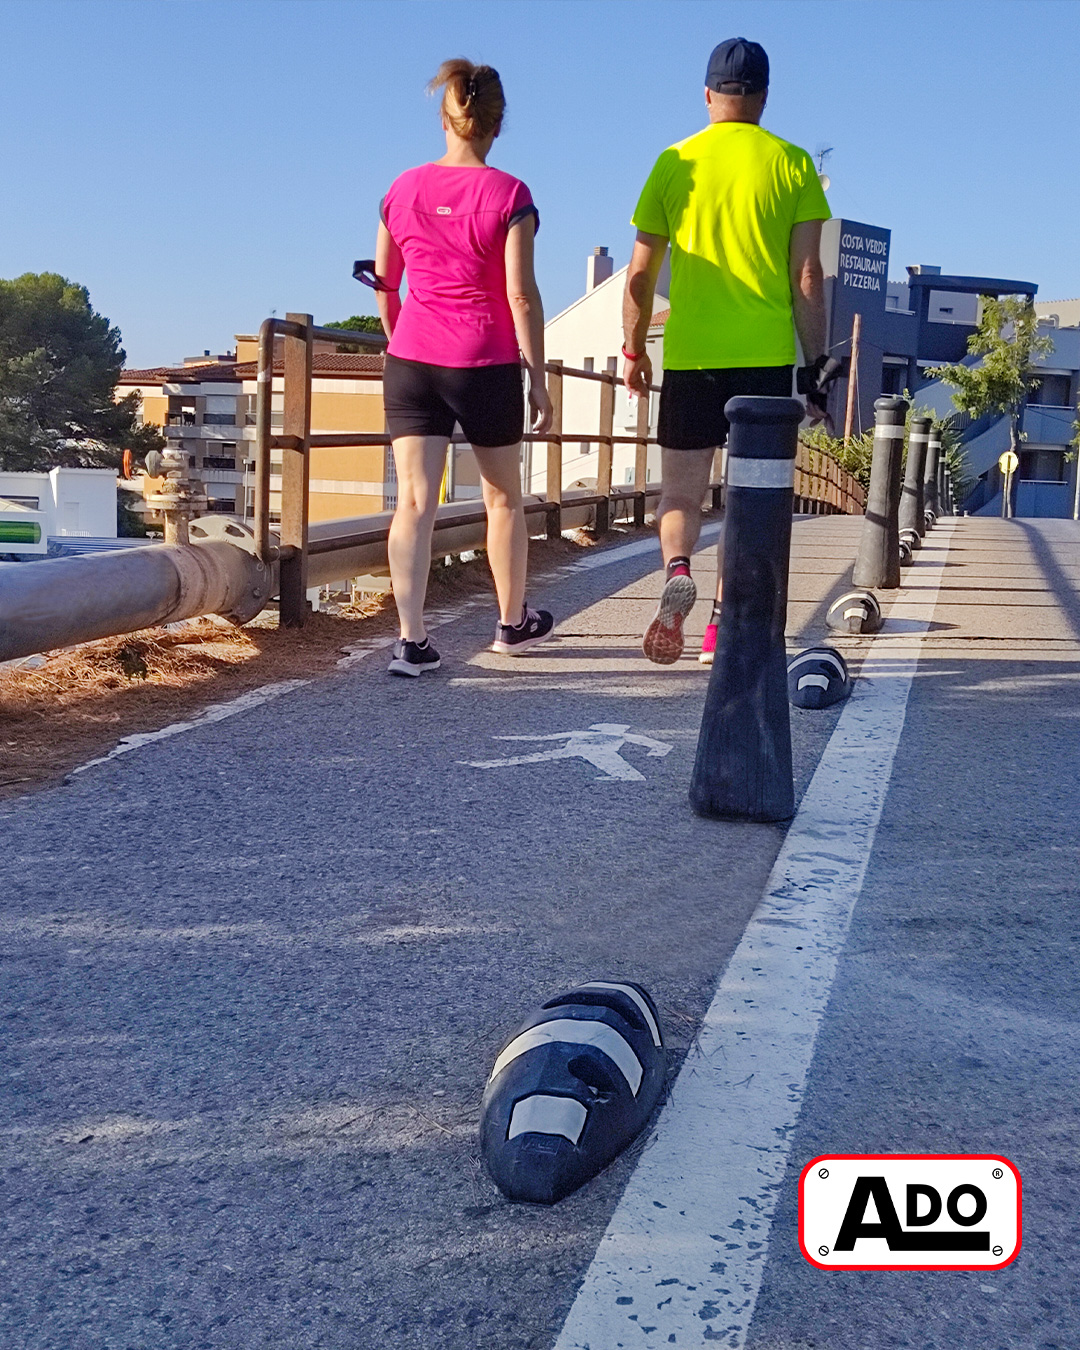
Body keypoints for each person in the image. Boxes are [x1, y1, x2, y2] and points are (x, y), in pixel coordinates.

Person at [621, 37, 832, 666]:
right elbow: (808, 278)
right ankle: (720, 625)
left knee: (681, 495)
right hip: (763, 360)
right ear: (764, 97)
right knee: (749, 500)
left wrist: (633, 350)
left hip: (690, 355)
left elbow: (637, 274)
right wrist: (814, 368)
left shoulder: (673, 162)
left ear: (708, 93)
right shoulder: (793, 163)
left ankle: (677, 569)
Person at [370, 59, 555, 677]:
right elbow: (521, 295)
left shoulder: (400, 189)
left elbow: (385, 283)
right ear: (496, 125)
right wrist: (540, 379)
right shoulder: (509, 195)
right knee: (502, 498)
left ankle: (411, 640)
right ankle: (510, 624)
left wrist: (399, 339)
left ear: (445, 117)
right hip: (485, 360)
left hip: (413, 359)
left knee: (414, 503)